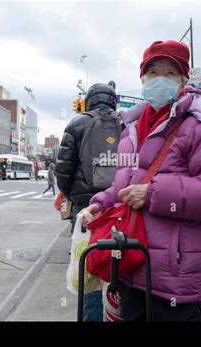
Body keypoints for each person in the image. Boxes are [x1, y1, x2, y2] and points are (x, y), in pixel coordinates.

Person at [80, 40, 201, 321]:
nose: (160, 80)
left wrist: (154, 193)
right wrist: (100, 203)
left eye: (170, 73)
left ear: (183, 80)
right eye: (153, 72)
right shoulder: (132, 125)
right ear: (142, 78)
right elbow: (124, 183)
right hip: (131, 263)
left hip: (174, 278)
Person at [55, 83, 119, 321]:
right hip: (119, 205)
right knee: (120, 261)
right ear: (113, 101)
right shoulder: (124, 122)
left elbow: (63, 169)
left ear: (89, 101)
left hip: (86, 208)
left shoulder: (76, 123)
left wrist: (71, 195)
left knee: (88, 266)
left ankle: (91, 317)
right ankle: (118, 312)